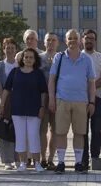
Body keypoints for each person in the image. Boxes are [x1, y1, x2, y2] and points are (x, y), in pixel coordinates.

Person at [48, 28, 97, 173]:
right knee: (61, 132)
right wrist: (52, 99)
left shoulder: (87, 59)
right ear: (65, 41)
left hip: (81, 101)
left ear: (80, 40)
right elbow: (51, 80)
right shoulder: (59, 57)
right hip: (62, 100)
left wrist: (92, 102)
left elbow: (91, 83)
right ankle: (61, 162)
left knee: (79, 133)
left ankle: (78, 163)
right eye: (70, 38)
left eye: (75, 38)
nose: (73, 41)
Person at [3, 46, 49, 172]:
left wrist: (42, 107)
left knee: (34, 136)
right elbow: (6, 89)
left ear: (35, 60)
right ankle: (22, 163)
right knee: (20, 137)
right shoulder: (15, 72)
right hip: (17, 110)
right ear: (22, 58)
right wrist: (2, 105)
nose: (28, 59)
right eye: (26, 57)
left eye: (31, 57)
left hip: (35, 110)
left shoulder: (38, 74)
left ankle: (37, 163)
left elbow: (43, 93)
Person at [80, 28, 101, 164]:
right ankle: (83, 159)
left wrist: (90, 88)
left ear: (95, 41)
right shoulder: (77, 57)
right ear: (82, 40)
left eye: (92, 38)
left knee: (96, 130)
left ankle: (95, 158)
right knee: (82, 131)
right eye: (87, 38)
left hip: (98, 98)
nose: (89, 41)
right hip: (80, 99)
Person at [0, 37, 20, 169]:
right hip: (4, 100)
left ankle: (18, 159)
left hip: (19, 100)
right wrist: (1, 102)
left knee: (18, 129)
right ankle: (7, 161)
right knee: (5, 130)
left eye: (12, 48)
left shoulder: (20, 64)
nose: (9, 50)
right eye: (7, 48)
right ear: (4, 49)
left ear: (16, 50)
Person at [41, 32, 60, 168]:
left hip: (58, 99)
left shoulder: (62, 58)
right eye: (48, 40)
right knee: (42, 130)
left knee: (55, 130)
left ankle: (51, 159)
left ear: (57, 43)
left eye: (53, 40)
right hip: (42, 98)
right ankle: (42, 158)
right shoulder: (38, 58)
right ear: (44, 42)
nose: (51, 43)